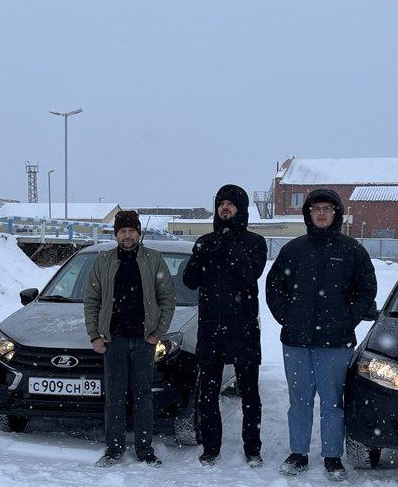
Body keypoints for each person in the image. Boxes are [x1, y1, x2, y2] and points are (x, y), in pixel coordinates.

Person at [265, 188, 376, 480]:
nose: (322, 213)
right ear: (308, 214)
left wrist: (347, 319)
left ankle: (332, 456)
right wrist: (287, 317)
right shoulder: (293, 250)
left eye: (328, 208)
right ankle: (298, 453)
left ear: (336, 213)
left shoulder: (352, 250)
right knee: (299, 400)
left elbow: (367, 289)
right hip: (296, 341)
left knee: (332, 402)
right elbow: (274, 287)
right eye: (316, 209)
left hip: (336, 342)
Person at [183, 184, 268, 467]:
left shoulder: (255, 242)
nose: (225, 207)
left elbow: (250, 274)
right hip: (210, 330)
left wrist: (231, 243)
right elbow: (190, 281)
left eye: (231, 203)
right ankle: (211, 447)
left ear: (240, 209)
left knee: (249, 394)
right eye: (221, 203)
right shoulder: (205, 242)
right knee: (208, 394)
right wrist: (202, 252)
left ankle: (252, 448)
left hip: (243, 330)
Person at [85, 209, 176, 467]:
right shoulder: (103, 261)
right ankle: (114, 450)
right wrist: (95, 336)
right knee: (114, 397)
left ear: (139, 233)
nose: (127, 235)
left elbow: (167, 299)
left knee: (143, 396)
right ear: (116, 235)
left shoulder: (153, 259)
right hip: (113, 341)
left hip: (144, 341)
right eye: (122, 231)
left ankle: (145, 450)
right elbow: (91, 301)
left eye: (132, 231)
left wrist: (157, 333)